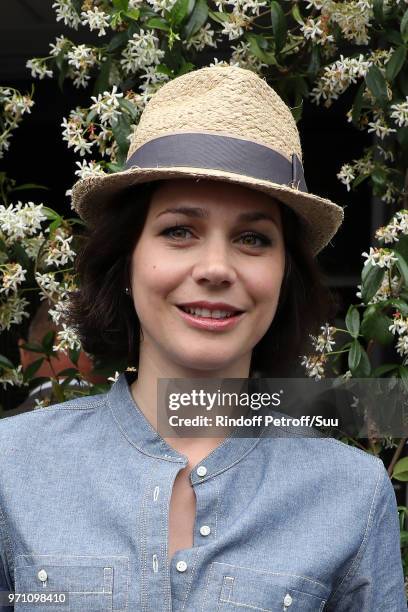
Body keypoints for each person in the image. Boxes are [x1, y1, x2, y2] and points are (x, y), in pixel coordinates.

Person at [0, 65, 405, 611]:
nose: (216, 267)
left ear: (285, 278)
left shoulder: (352, 494)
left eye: (253, 238)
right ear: (127, 261)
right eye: (179, 231)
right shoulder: (12, 466)